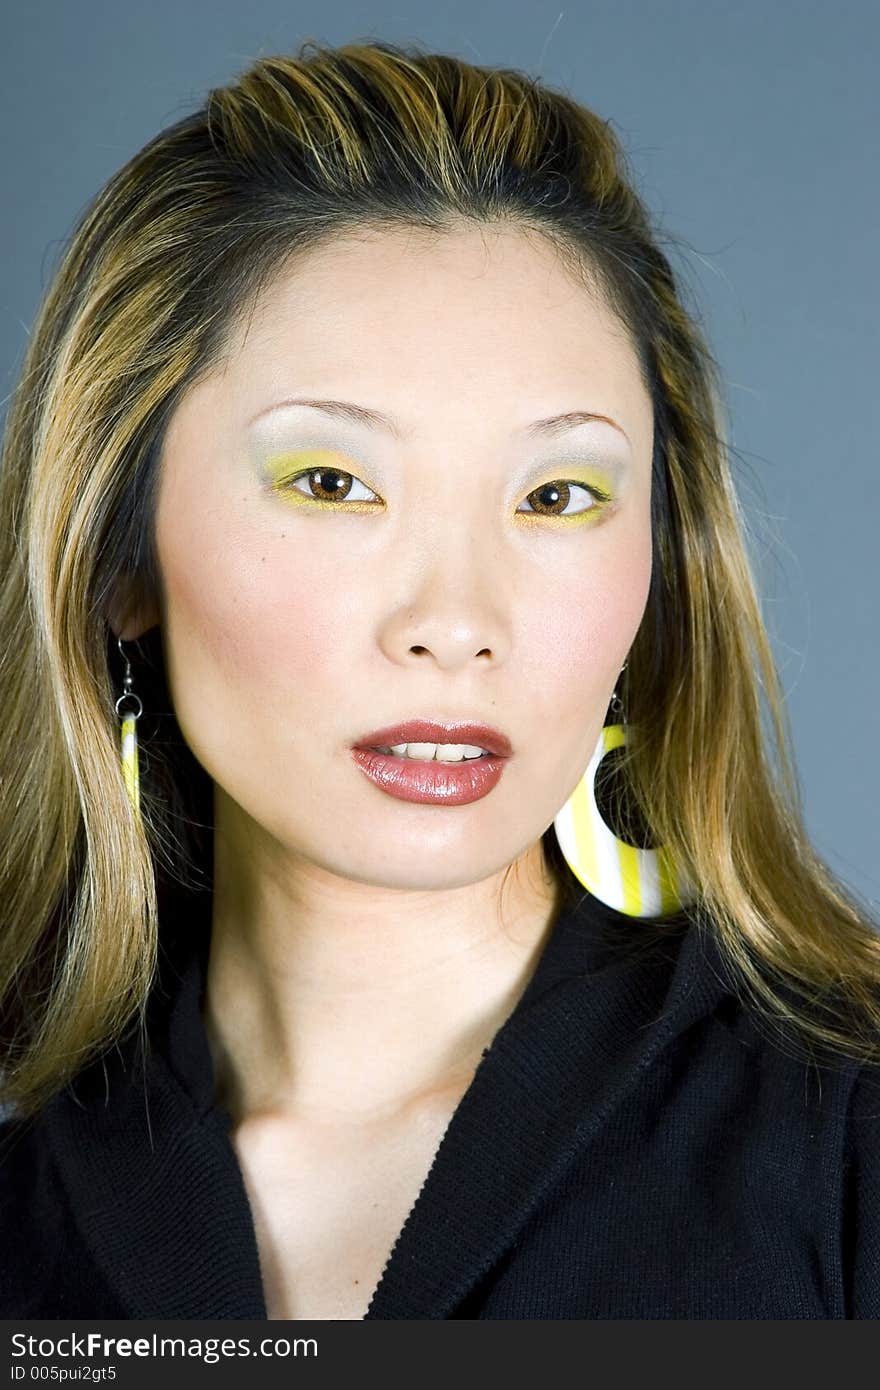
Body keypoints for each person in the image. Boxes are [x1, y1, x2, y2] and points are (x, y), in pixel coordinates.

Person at [1, 38, 878, 1322]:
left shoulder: (842, 1144)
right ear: (117, 551)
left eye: (556, 494)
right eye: (332, 482)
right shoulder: (30, 1229)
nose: (456, 621)